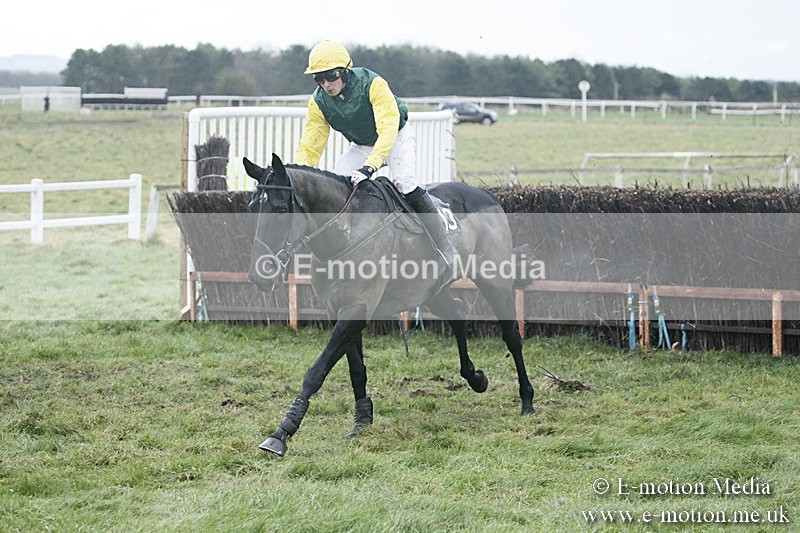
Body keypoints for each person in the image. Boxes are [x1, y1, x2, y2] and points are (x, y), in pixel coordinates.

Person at [294, 40, 455, 273]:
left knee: (405, 184)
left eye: (331, 76)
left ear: (345, 71)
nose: (326, 84)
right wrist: (297, 174)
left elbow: (387, 129)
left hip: (396, 136)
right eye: (319, 79)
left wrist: (370, 167)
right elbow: (311, 145)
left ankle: (444, 248)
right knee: (339, 185)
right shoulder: (318, 102)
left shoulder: (373, 84)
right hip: (363, 145)